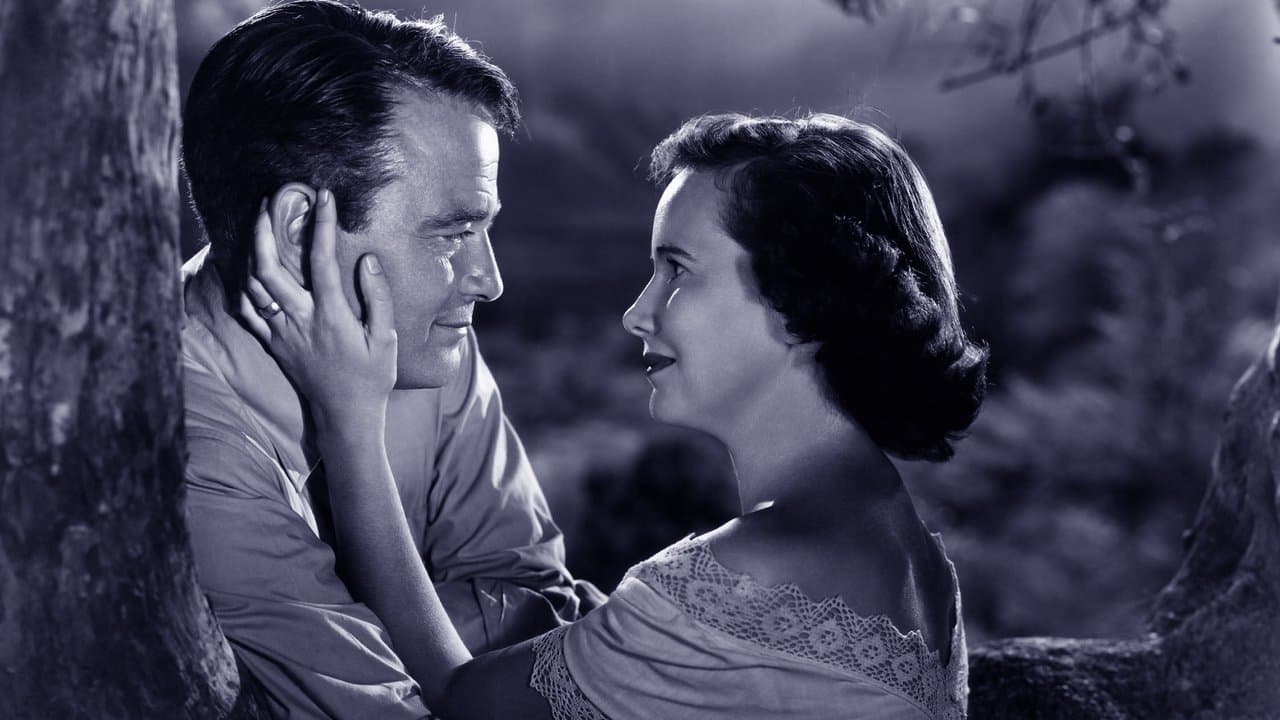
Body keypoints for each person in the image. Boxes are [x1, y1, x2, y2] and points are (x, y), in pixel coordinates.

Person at [244, 112, 987, 719]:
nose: (638, 312)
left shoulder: (756, 571)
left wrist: (350, 418)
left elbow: (458, 698)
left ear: (802, 299)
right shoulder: (916, 559)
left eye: (677, 269)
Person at [178, 2, 601, 717]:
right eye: (451, 234)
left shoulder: (422, 339)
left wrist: (374, 628)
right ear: (300, 230)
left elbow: (544, 605)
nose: (488, 280)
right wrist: (456, 647)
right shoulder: (182, 443)